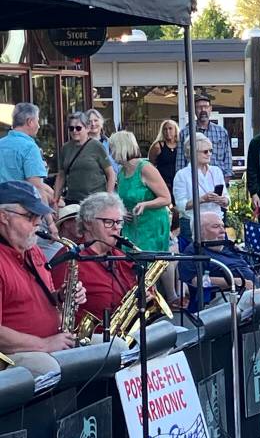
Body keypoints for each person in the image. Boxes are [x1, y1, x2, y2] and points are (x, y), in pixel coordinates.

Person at [0, 181, 85, 376]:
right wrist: (44, 344)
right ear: (3, 217)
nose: (39, 222)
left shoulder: (33, 250)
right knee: (48, 368)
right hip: (16, 353)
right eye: (30, 216)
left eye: (39, 216)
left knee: (113, 348)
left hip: (51, 341)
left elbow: (35, 297)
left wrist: (62, 296)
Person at [49, 192, 135, 332]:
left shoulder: (120, 256)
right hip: (88, 340)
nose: (117, 228)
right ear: (88, 224)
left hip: (124, 333)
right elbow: (53, 307)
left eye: (119, 222)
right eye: (109, 222)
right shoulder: (69, 258)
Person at [111, 131, 171, 253]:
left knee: (148, 264)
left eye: (112, 148)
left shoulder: (145, 168)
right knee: (130, 264)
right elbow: (122, 199)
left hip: (151, 226)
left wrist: (145, 204)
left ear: (121, 148)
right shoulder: (122, 172)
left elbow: (166, 198)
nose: (110, 153)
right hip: (131, 226)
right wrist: (121, 212)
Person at [173, 132, 229, 244]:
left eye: (210, 151)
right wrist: (202, 199)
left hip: (217, 222)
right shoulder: (182, 175)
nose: (209, 154)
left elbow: (227, 198)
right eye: (205, 151)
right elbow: (180, 206)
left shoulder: (216, 171)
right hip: (193, 224)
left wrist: (223, 200)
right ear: (193, 153)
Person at [53, 111, 115, 205]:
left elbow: (110, 174)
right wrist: (55, 200)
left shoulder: (97, 146)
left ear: (87, 128)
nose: (74, 131)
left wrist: (108, 198)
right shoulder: (65, 148)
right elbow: (61, 175)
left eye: (78, 128)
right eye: (71, 128)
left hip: (95, 200)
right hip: (72, 200)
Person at [0, 103, 52, 204]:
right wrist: (49, 218)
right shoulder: (29, 147)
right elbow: (36, 187)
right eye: (37, 120)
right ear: (30, 122)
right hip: (21, 210)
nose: (39, 125)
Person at [175, 94, 233, 179]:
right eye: (199, 107)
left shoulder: (221, 132)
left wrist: (225, 181)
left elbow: (227, 158)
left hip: (217, 180)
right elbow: (180, 162)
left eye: (206, 107)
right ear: (194, 110)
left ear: (210, 109)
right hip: (193, 181)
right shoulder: (185, 133)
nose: (203, 110)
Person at [147, 119, 180, 196]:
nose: (168, 131)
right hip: (163, 182)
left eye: (170, 128)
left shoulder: (180, 145)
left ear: (175, 130)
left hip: (178, 181)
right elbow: (151, 165)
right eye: (165, 129)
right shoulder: (157, 146)